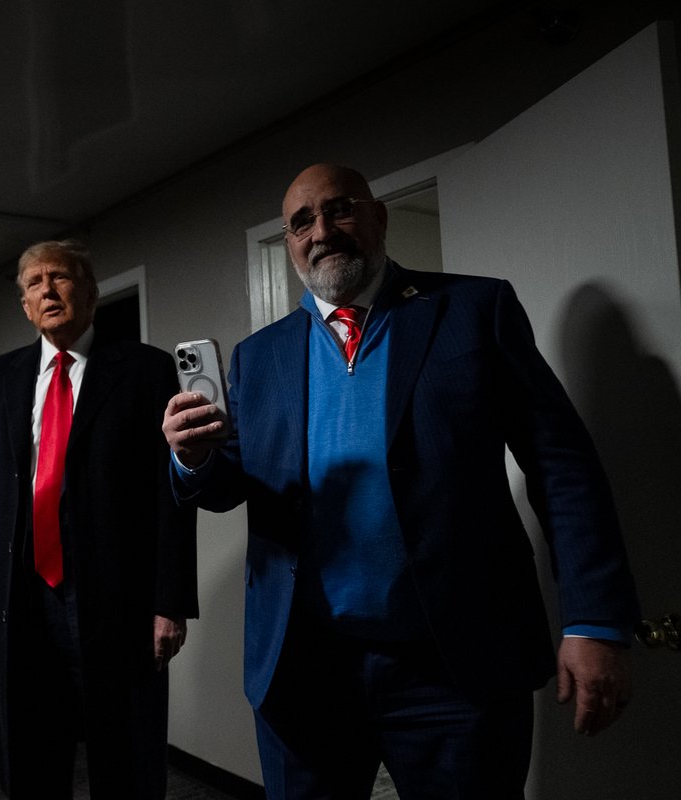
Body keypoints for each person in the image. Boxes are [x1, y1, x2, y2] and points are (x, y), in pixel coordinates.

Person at [162, 164, 640, 799]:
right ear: (290, 242)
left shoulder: (473, 310)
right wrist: (192, 458)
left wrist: (594, 620)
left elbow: (562, 467)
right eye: (302, 222)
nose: (322, 231)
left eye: (340, 209)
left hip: (454, 668)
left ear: (378, 217)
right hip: (305, 667)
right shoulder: (260, 355)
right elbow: (228, 487)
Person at [0, 239, 198, 798]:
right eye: (34, 284)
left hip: (116, 594)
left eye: (59, 277)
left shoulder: (146, 369)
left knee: (126, 750)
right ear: (24, 305)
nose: (47, 290)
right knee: (31, 748)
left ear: (89, 290)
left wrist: (170, 601)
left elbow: (172, 494)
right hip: (20, 593)